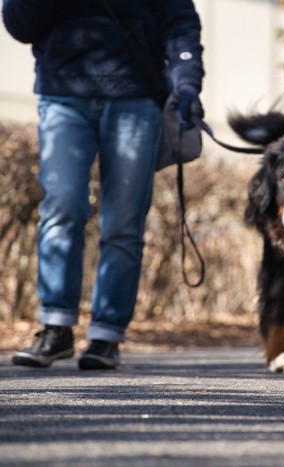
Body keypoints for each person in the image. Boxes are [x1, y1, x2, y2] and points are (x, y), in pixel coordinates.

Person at [3, 0, 205, 370]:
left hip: (136, 97)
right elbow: (19, 25)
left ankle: (106, 336)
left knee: (123, 222)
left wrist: (188, 79)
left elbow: (179, 19)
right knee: (61, 206)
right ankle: (56, 327)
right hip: (63, 93)